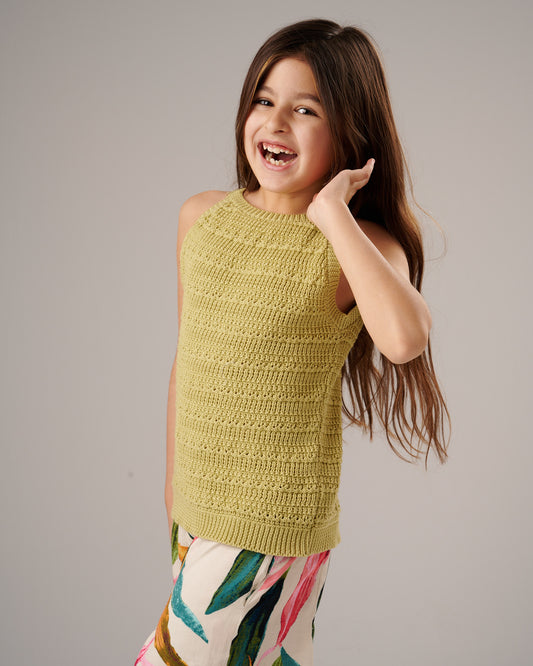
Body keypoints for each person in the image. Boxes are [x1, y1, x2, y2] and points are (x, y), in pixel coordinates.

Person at [135, 18, 450, 666]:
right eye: (264, 100)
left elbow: (404, 340)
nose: (275, 123)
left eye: (305, 109)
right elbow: (187, 361)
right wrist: (172, 494)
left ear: (349, 129)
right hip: (196, 518)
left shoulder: (355, 244)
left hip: (268, 530)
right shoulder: (201, 217)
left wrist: (331, 214)